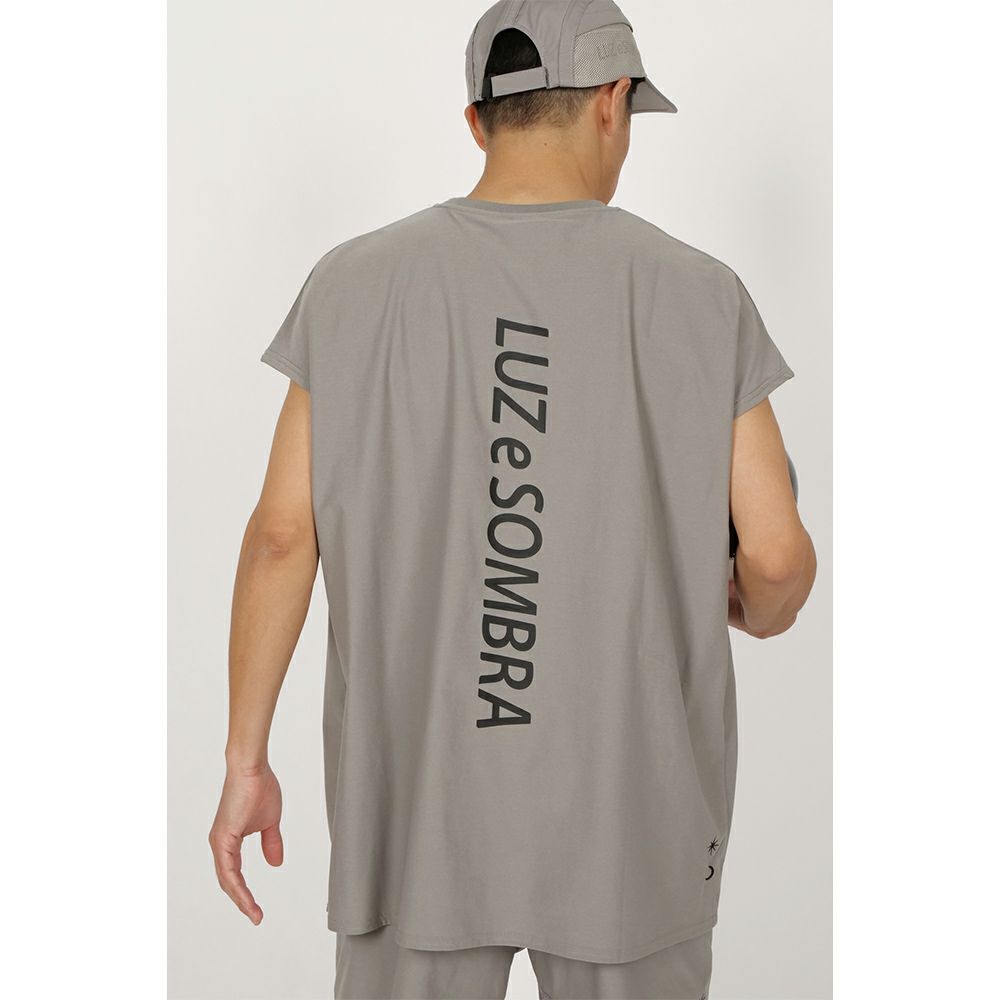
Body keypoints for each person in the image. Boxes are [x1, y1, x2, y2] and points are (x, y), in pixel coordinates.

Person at [208, 1, 817, 997]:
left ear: (476, 122)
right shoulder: (702, 294)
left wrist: (245, 761)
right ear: (612, 104)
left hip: (416, 821)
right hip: (632, 825)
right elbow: (778, 554)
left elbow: (282, 538)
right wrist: (756, 603)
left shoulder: (350, 285)